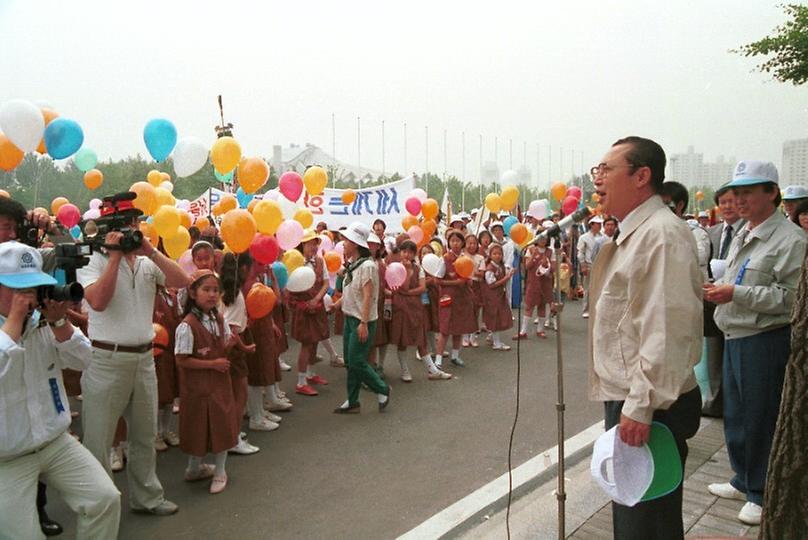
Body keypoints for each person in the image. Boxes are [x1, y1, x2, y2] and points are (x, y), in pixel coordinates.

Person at [590, 136, 703, 538]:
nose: (597, 180)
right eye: (596, 170)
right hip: (634, 394)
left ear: (642, 176)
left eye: (607, 169)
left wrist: (641, 405)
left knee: (647, 517)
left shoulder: (661, 235)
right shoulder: (633, 232)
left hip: (652, 403)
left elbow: (667, 329)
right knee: (635, 507)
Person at [704, 160, 807, 525]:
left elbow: (792, 297)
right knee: (736, 414)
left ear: (773, 193)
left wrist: (737, 293)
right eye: (737, 192)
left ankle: (762, 491)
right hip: (735, 333)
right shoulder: (746, 231)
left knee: (760, 416)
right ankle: (743, 477)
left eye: (749, 191)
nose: (740, 199)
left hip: (765, 338)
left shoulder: (791, 240)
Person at [78, 192, 190, 516]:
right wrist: (113, 258)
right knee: (99, 439)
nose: (132, 229)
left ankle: (147, 498)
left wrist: (150, 251)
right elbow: (97, 301)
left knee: (144, 435)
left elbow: (181, 281)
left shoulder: (145, 262)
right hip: (106, 360)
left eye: (135, 222)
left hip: (144, 359)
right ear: (106, 229)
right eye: (126, 224)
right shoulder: (91, 260)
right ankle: (99, 507)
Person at [0, 242, 121, 539]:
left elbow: (83, 359)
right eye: (20, 289)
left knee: (104, 499)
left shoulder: (42, 323)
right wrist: (15, 321)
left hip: (54, 441)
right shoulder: (19, 324)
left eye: (34, 288)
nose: (29, 297)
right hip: (7, 456)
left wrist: (59, 320)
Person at [175, 270, 240, 494]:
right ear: (193, 293)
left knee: (221, 424)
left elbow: (219, 347)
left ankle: (220, 470)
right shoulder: (187, 325)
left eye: (215, 290)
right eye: (206, 290)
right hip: (198, 387)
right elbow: (182, 360)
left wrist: (230, 346)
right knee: (197, 426)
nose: (212, 295)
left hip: (218, 384)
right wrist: (212, 364)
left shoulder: (218, 318)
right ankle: (194, 467)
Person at [332, 222, 391, 413]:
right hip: (350, 318)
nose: (343, 244)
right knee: (350, 362)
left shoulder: (367, 266)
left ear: (356, 244)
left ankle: (382, 389)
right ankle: (353, 400)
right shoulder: (352, 265)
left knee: (357, 360)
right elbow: (349, 292)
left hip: (361, 320)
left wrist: (364, 323)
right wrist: (336, 305)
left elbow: (367, 296)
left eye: (346, 241)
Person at [699, 185, 746, 417]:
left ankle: (733, 403)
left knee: (735, 356)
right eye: (723, 202)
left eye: (731, 201)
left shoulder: (748, 231)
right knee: (714, 354)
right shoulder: (712, 232)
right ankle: (715, 401)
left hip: (738, 300)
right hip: (712, 299)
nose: (727, 206)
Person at [287, 230, 330, 396]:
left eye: (315, 243)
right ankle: (301, 381)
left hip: (316, 306)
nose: (313, 246)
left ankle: (311, 373)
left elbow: (326, 283)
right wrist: (304, 303)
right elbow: (290, 288)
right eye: (310, 243)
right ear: (302, 244)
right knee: (306, 343)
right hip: (302, 308)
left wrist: (317, 299)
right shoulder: (294, 262)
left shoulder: (320, 261)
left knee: (316, 340)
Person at [436, 230, 478, 368]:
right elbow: (437, 280)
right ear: (448, 243)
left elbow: (470, 278)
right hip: (448, 298)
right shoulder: (445, 259)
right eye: (452, 240)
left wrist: (468, 281)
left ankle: (455, 355)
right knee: (445, 329)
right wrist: (455, 283)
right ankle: (438, 359)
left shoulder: (466, 259)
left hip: (463, 297)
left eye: (458, 241)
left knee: (459, 327)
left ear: (462, 243)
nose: (455, 243)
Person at [516, 236, 554, 339]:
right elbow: (527, 266)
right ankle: (523, 331)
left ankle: (540, 330)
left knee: (542, 306)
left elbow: (554, 268)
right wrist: (533, 256)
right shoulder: (530, 249)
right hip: (533, 282)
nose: (542, 240)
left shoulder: (550, 251)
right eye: (540, 238)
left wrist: (547, 265)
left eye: (545, 238)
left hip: (545, 282)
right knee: (529, 306)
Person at [481, 243, 513, 350]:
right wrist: (506, 278)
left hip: (499, 295)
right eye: (494, 254)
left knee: (499, 316)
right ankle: (496, 343)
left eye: (499, 253)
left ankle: (493, 338)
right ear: (490, 255)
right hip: (492, 296)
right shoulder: (490, 268)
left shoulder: (500, 266)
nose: (497, 256)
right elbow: (491, 284)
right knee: (495, 317)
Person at [576, 216, 604, 318]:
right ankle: (586, 309)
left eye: (600, 224)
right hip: (589, 264)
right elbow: (580, 252)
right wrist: (583, 265)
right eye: (597, 224)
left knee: (600, 287)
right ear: (591, 225)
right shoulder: (584, 237)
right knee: (588, 288)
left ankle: (597, 309)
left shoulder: (603, 236)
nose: (600, 226)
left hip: (601, 264)